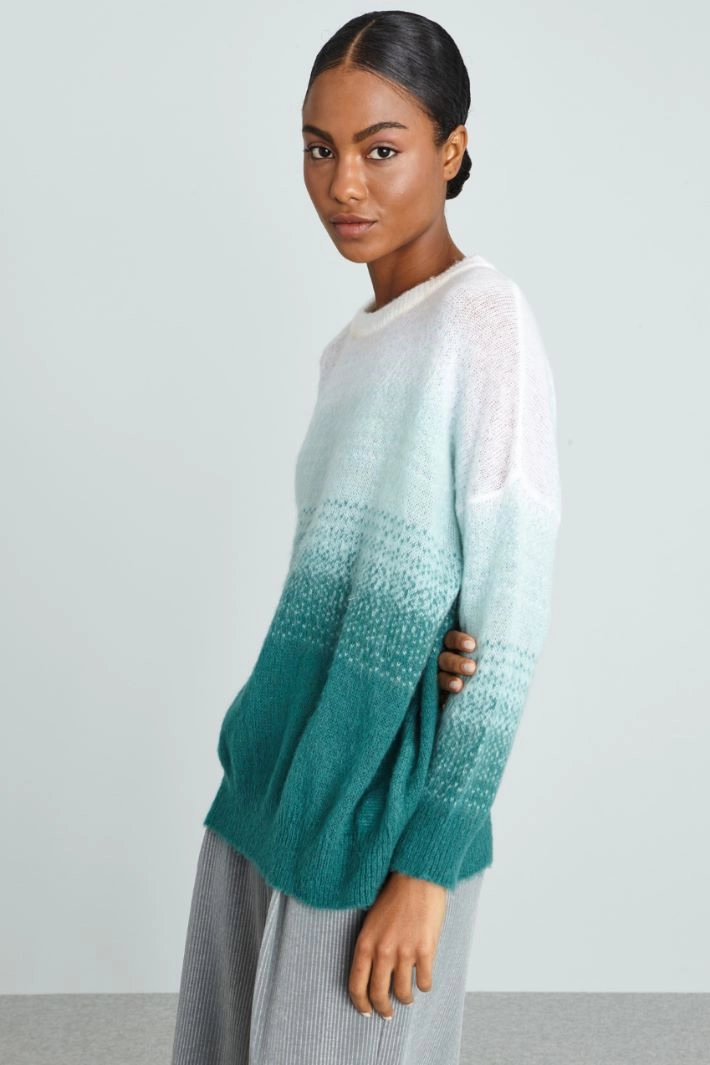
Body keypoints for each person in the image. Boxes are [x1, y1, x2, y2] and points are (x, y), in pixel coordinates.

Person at [170, 10, 561, 1065]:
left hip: (374, 819)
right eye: (319, 148)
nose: (343, 184)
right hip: (266, 785)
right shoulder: (347, 352)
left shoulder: (482, 321)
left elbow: (510, 616)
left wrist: (427, 864)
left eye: (380, 150)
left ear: (451, 150)